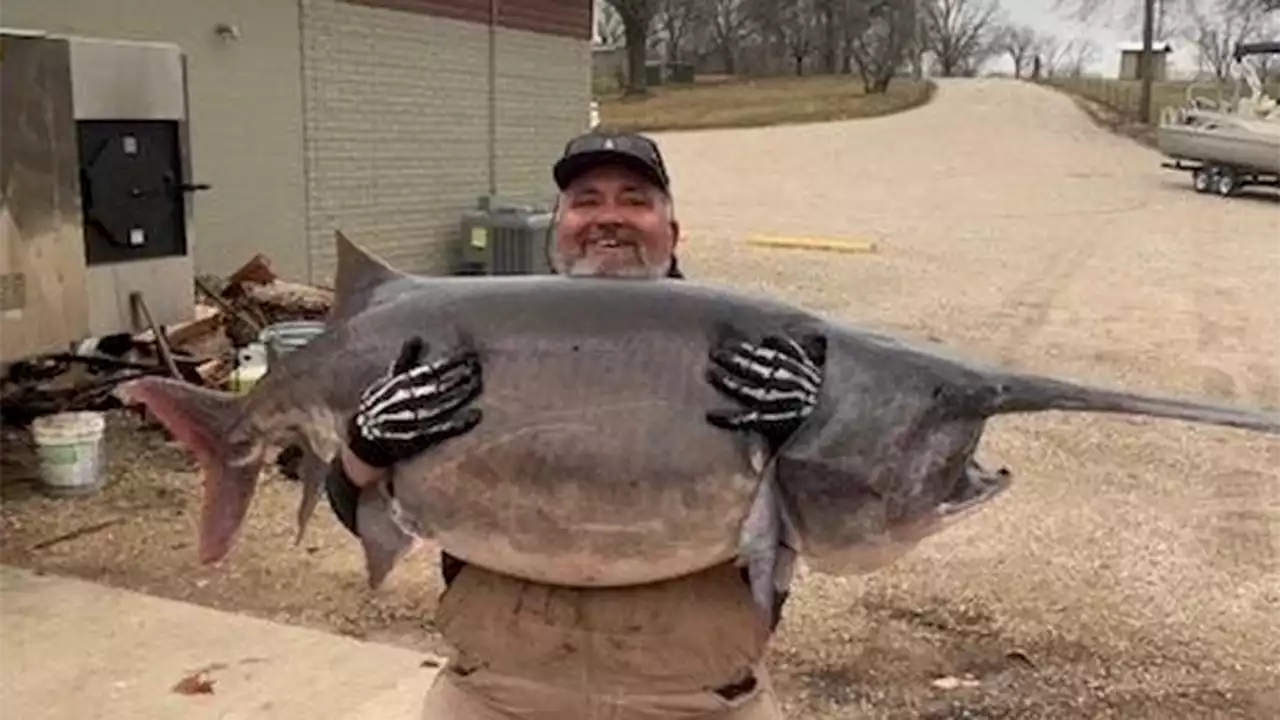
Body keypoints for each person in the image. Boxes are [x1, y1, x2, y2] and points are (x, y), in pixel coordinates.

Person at [323, 130, 827, 719]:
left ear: (673, 230)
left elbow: (843, 526)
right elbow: (356, 506)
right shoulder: (462, 341)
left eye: (635, 199)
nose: (608, 218)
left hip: (697, 700)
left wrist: (816, 436)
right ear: (555, 228)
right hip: (497, 693)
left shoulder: (755, 355)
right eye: (586, 199)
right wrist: (366, 445)